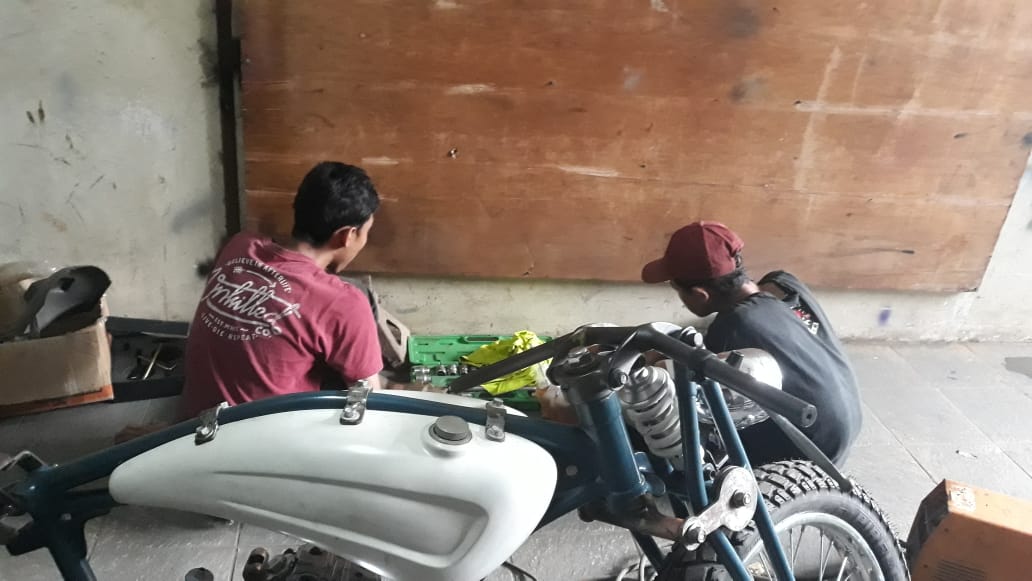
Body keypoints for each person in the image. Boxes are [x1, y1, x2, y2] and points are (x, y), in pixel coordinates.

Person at [641, 221, 862, 466]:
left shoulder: (732, 329)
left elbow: (691, 386)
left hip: (811, 452)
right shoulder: (785, 285)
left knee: (671, 414)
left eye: (678, 291)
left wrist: (652, 365)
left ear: (700, 295)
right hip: (845, 424)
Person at [180, 161, 387, 419]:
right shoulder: (345, 303)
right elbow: (370, 402)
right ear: (347, 235)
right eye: (366, 233)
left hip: (192, 428)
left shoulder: (240, 246)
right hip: (263, 438)